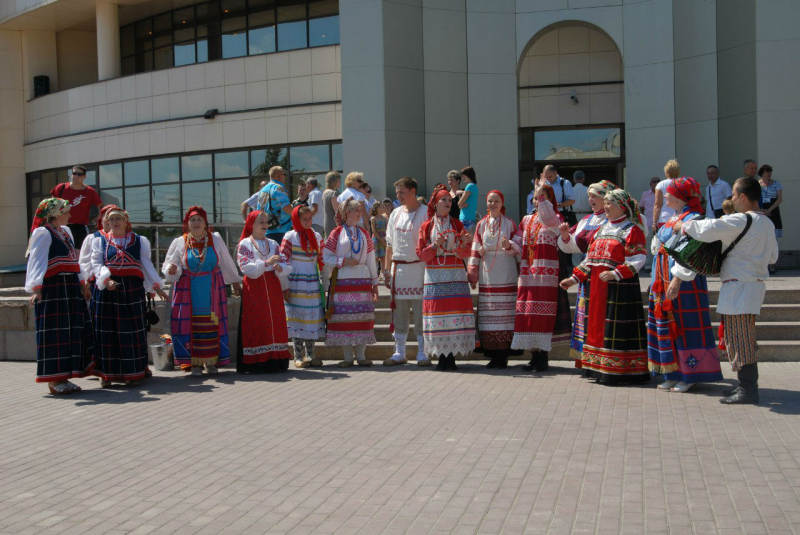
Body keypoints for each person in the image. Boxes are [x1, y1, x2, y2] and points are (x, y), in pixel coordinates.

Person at [681, 177, 779, 404]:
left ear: (743, 196)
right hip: (751, 286)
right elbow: (773, 257)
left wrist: (683, 226)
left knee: (740, 339)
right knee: (741, 337)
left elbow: (709, 227)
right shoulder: (767, 222)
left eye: (734, 195)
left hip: (739, 288)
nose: (732, 199)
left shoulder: (741, 219)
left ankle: (748, 390)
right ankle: (745, 387)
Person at [560, 189, 649, 385]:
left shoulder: (631, 230)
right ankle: (598, 367)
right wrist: (573, 279)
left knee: (613, 330)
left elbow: (638, 259)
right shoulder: (600, 230)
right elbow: (590, 260)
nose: (606, 207)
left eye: (610, 203)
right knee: (597, 328)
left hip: (619, 290)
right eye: (605, 203)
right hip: (597, 289)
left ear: (622, 206)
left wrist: (616, 273)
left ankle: (619, 369)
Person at [647, 177, 722, 392]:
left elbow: (692, 252)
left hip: (683, 282)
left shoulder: (694, 219)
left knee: (683, 324)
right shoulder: (675, 217)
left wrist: (678, 279)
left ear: (680, 197)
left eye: (669, 192)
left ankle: (690, 375)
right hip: (662, 279)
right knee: (666, 325)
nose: (666, 195)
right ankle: (672, 372)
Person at [89, 207, 167, 387]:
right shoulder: (99, 241)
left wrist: (156, 286)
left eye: (118, 218)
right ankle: (106, 375)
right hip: (108, 290)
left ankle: (133, 373)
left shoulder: (139, 241)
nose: (115, 222)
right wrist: (106, 279)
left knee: (131, 332)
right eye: (111, 219)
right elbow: (96, 263)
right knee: (107, 333)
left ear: (126, 221)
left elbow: (146, 266)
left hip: (132, 290)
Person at [25, 198, 95, 395]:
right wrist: (36, 288)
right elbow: (36, 261)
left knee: (71, 331)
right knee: (55, 333)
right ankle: (54, 381)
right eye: (66, 212)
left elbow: (74, 260)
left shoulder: (66, 232)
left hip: (70, 287)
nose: (70, 215)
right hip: (54, 288)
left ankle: (65, 377)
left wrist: (83, 284)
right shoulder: (43, 233)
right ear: (55, 214)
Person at [163, 206, 242, 376]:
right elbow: (170, 264)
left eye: (199, 219)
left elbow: (226, 262)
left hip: (212, 289)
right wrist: (171, 269)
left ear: (206, 223)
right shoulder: (180, 242)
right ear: (187, 224)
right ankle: (195, 363)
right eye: (192, 220)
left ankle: (211, 361)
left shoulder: (215, 239)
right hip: (188, 289)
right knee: (191, 324)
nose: (196, 223)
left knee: (211, 323)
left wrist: (235, 280)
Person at [558, 180, 617, 368]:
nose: (590, 199)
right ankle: (589, 361)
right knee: (587, 317)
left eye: (595, 196)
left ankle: (605, 360)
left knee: (602, 317)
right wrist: (566, 235)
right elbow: (572, 246)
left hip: (607, 275)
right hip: (586, 274)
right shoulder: (586, 220)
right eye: (589, 196)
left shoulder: (614, 220)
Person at [417, 184, 475, 371]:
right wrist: (435, 245)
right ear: (435, 203)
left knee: (454, 313)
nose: (448, 202)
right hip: (435, 276)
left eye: (450, 200)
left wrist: (464, 243)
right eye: (444, 200)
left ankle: (451, 357)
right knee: (438, 314)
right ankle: (442, 357)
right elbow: (421, 254)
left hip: (455, 274)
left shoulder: (457, 224)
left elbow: (465, 253)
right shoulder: (427, 226)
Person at [509, 181, 563, 372]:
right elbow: (518, 240)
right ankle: (534, 355)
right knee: (528, 313)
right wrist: (509, 245)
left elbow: (549, 220)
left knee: (543, 314)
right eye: (535, 197)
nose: (537, 200)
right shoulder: (526, 219)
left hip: (546, 273)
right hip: (527, 272)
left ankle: (543, 357)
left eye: (542, 197)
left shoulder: (555, 217)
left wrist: (542, 197)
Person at [323, 199, 379, 367]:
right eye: (357, 210)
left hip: (362, 279)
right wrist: (344, 260)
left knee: (362, 317)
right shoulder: (337, 233)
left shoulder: (364, 233)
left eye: (361, 210)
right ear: (347, 212)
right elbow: (326, 256)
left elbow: (370, 259)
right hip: (343, 280)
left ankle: (361, 356)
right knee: (344, 317)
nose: (360, 213)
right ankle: (348, 357)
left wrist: (375, 284)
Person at [467, 191, 519, 369]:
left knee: (504, 316)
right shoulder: (481, 224)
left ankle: (503, 355)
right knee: (489, 315)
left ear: (502, 203)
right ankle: (493, 355)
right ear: (486, 204)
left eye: (496, 201)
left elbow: (519, 249)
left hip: (506, 272)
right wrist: (472, 273)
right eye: (490, 201)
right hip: (487, 273)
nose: (493, 204)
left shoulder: (510, 223)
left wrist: (509, 246)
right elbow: (475, 249)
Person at [236, 210, 292, 373]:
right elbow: (246, 268)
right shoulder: (245, 244)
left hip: (272, 286)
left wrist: (279, 268)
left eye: (266, 222)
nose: (265, 225)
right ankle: (257, 361)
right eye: (261, 222)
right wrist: (267, 263)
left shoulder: (273, 244)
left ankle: (276, 360)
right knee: (257, 322)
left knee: (275, 322)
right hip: (254, 287)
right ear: (251, 225)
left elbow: (286, 265)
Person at [383, 177, 429, 366]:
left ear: (413, 192)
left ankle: (422, 352)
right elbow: (389, 244)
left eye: (402, 192)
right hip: (399, 269)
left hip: (419, 268)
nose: (399, 196)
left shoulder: (426, 213)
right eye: (397, 193)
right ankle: (399, 351)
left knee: (420, 312)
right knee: (399, 313)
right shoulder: (395, 214)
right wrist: (386, 270)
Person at [280, 206, 325, 368]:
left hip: (312, 282)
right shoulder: (290, 236)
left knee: (311, 318)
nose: (307, 222)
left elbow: (322, 258)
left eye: (310, 219)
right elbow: (282, 259)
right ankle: (298, 356)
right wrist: (285, 285)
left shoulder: (317, 236)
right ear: (296, 220)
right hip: (296, 281)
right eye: (304, 219)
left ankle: (311, 355)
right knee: (296, 317)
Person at [50, 165, 103, 249]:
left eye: (79, 174)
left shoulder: (89, 191)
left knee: (80, 253)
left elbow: (100, 206)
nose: (76, 176)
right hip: (61, 225)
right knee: (61, 251)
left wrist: (99, 217)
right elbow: (51, 204)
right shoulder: (61, 188)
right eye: (74, 173)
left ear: (84, 176)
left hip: (80, 227)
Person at [256, 166, 293, 245]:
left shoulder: (262, 190)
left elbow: (258, 210)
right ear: (280, 176)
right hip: (281, 231)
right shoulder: (278, 188)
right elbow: (286, 207)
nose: (284, 177)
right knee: (280, 256)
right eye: (284, 175)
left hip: (266, 230)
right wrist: (298, 216)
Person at [758, 164, 782, 273]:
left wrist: (769, 210)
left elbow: (779, 199)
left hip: (773, 211)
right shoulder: (757, 184)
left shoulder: (776, 183)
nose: (769, 173)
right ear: (762, 172)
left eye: (770, 171)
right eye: (767, 171)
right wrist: (762, 210)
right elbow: (755, 199)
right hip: (761, 211)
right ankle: (763, 265)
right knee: (762, 239)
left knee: (773, 239)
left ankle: (772, 265)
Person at [652, 159, 682, 233]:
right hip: (680, 218)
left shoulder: (661, 184)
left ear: (666, 172)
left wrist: (654, 222)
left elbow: (657, 205)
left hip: (664, 218)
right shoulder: (683, 183)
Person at [640, 177, 659, 271]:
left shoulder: (663, 193)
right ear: (650, 184)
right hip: (649, 223)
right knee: (648, 244)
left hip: (661, 223)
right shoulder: (645, 194)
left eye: (658, 181)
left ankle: (659, 265)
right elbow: (642, 208)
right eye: (654, 181)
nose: (656, 183)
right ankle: (648, 265)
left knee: (661, 244)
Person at [457, 166, 479, 233]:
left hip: (466, 217)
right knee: (469, 239)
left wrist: (460, 204)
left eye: (464, 175)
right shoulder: (474, 186)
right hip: (470, 216)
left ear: (468, 175)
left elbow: (459, 203)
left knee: (464, 240)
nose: (462, 178)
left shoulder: (470, 186)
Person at [370, 202, 388, 277]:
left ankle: (383, 273)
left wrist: (384, 238)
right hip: (376, 239)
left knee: (383, 257)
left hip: (383, 239)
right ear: (377, 208)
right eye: (381, 207)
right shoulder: (373, 218)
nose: (383, 208)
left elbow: (387, 230)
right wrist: (381, 239)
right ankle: (374, 273)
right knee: (376, 257)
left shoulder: (385, 219)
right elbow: (374, 230)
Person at [322, 171, 341, 238]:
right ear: (334, 181)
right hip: (334, 224)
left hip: (327, 223)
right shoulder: (333, 193)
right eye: (339, 180)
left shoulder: (325, 192)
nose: (340, 182)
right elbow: (338, 211)